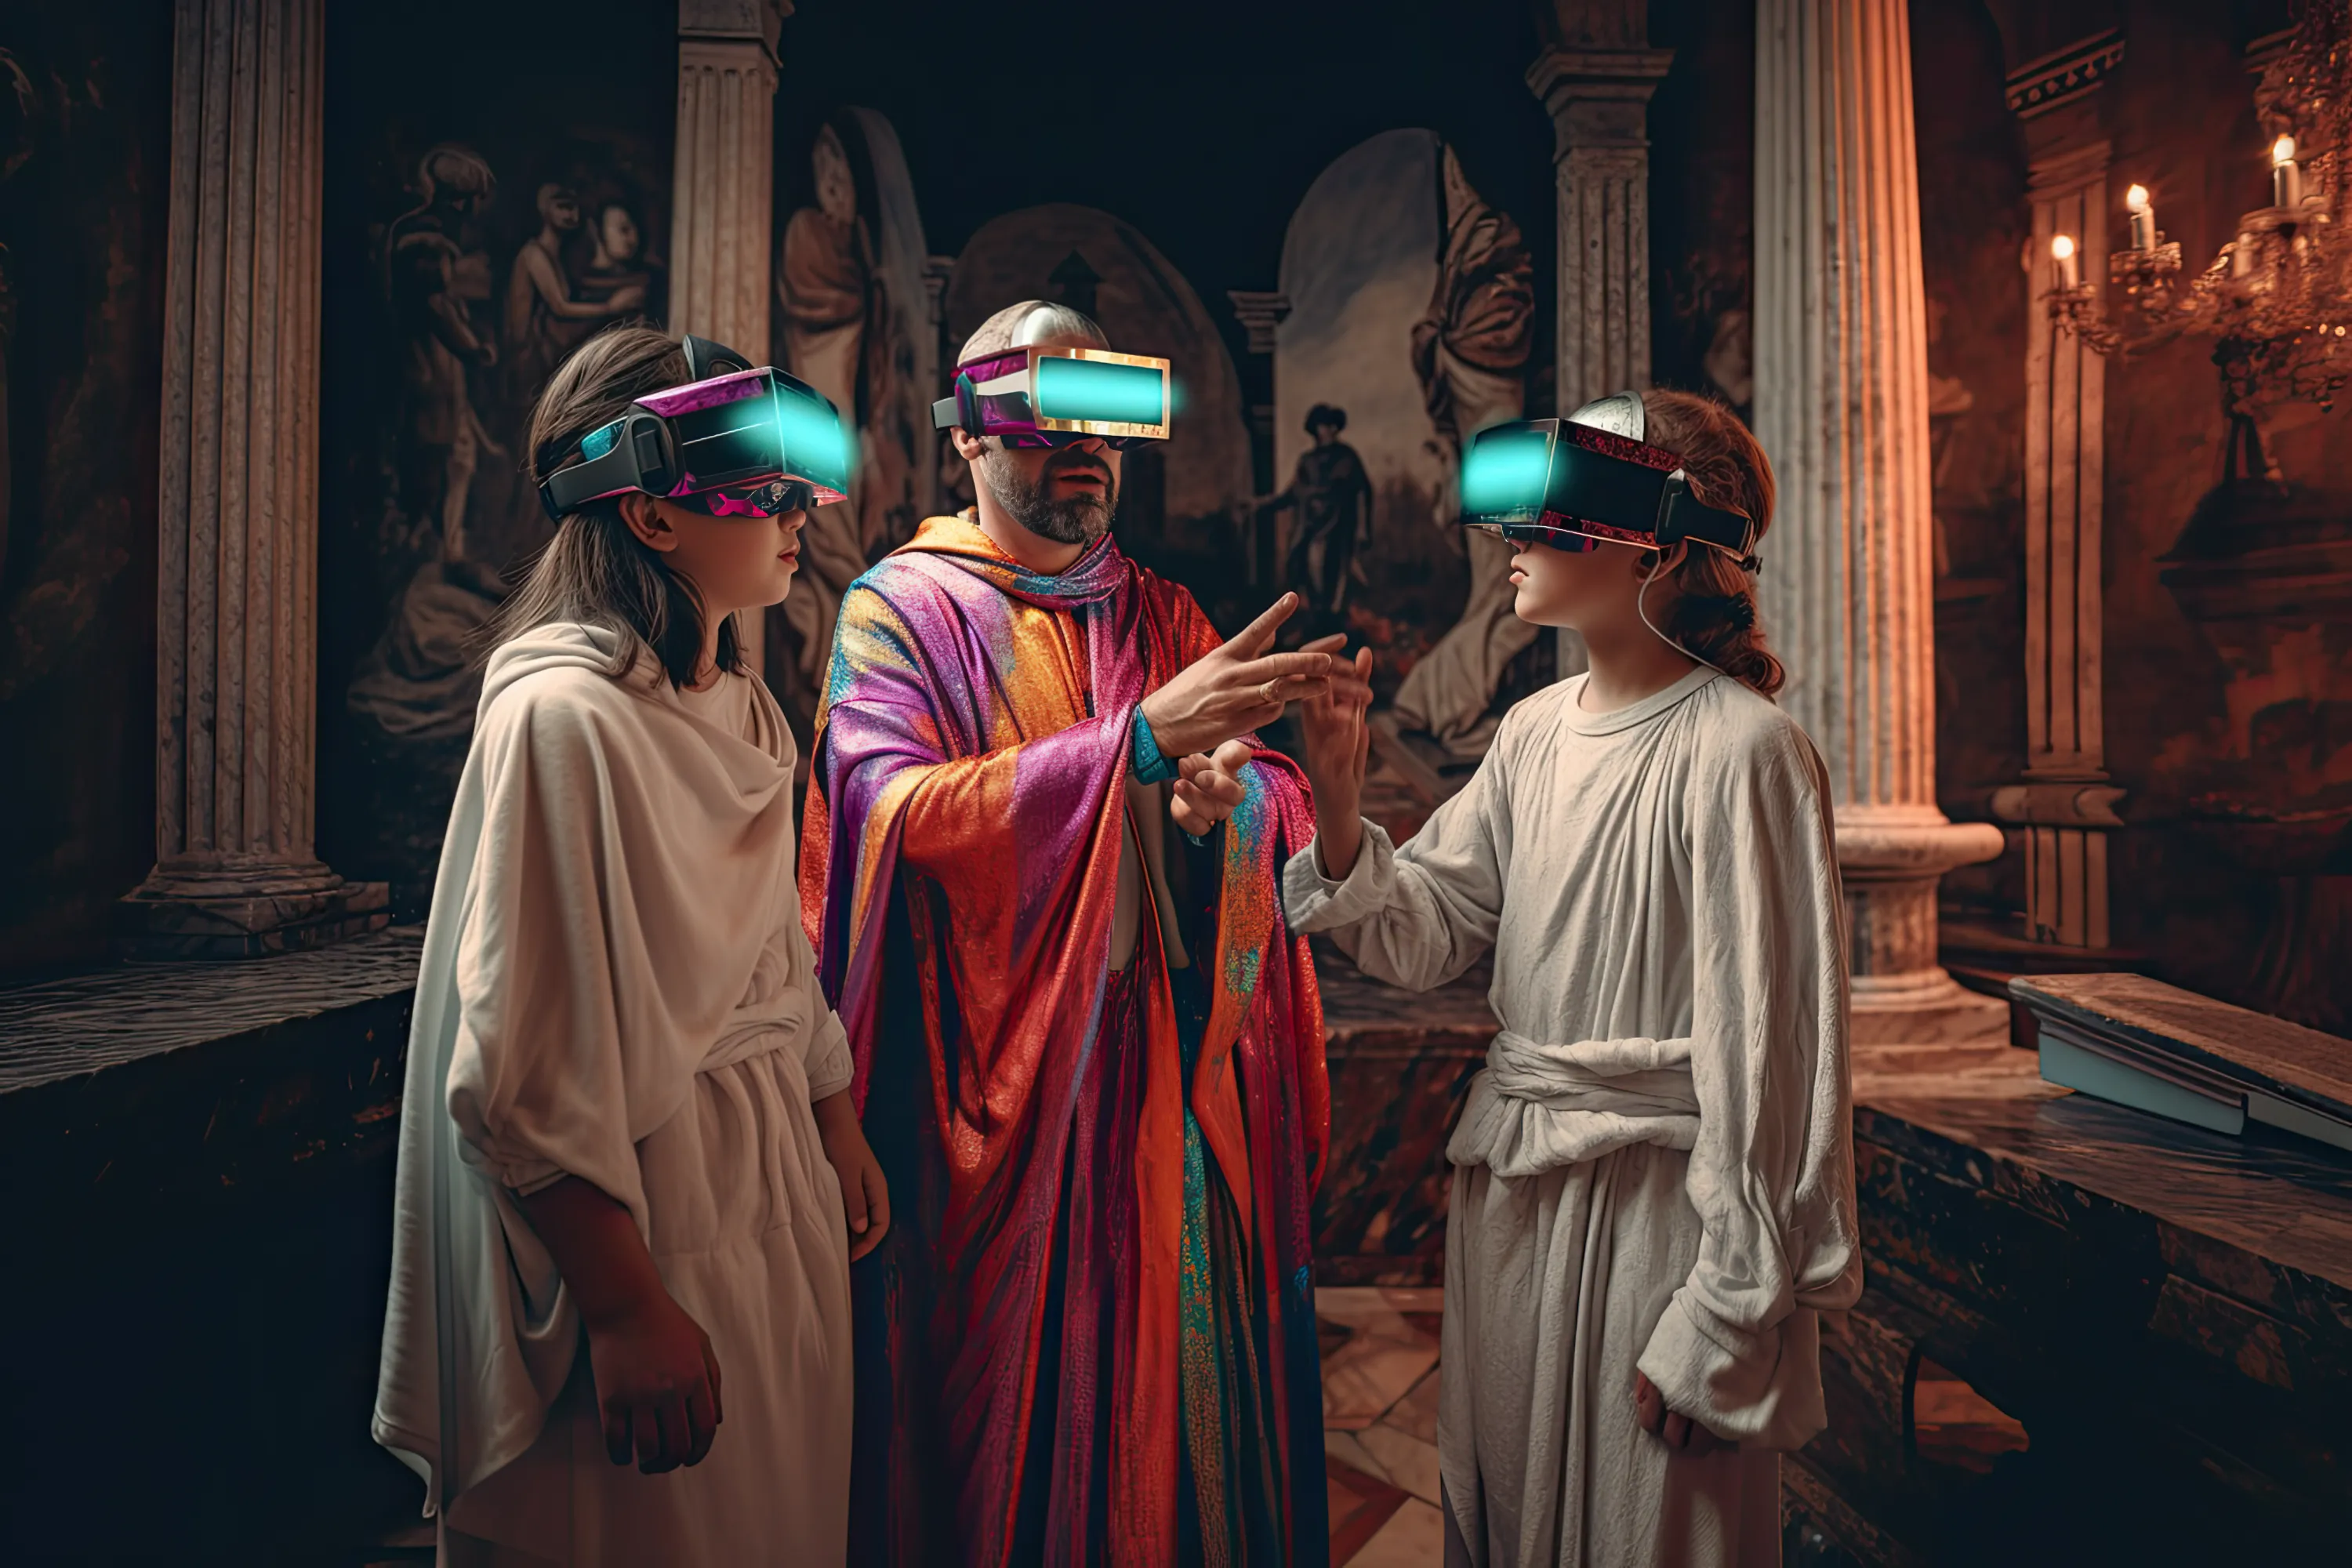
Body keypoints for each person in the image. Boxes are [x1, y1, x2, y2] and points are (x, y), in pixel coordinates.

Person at [805, 299, 1365, 1566]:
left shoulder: (1159, 610)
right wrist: (1138, 750)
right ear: (967, 438)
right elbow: (882, 815)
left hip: (1170, 1077)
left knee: (1184, 1438)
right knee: (1017, 1450)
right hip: (997, 1107)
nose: (1086, 452)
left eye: (1107, 427)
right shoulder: (900, 612)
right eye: (1049, 422)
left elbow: (1259, 779)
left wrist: (1225, 804)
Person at [1286, 389, 1859, 1567]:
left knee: (1645, 1531)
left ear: (1650, 537)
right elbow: (1428, 929)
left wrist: (1725, 1319)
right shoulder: (1535, 730)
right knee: (1506, 1520)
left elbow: (1778, 1058)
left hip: (1661, 1225)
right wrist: (1339, 813)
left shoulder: (1744, 751)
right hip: (1514, 1205)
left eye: (1548, 513)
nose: (1511, 542)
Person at [373, 325, 884, 1567]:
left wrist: (831, 1116)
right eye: (764, 482)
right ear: (651, 514)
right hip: (651, 1220)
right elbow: (521, 1071)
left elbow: (779, 956)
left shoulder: (740, 699)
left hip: (771, 1196)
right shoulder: (565, 720)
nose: (803, 508)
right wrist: (624, 1306)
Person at [1260, 402, 1371, 636]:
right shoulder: (1307, 461)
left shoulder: (1347, 457)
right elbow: (1291, 493)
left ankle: (1334, 625)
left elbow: (1363, 491)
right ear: (1316, 428)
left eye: (1331, 425)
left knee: (1337, 577)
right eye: (1322, 425)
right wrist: (1262, 505)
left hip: (1339, 528)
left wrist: (1363, 528)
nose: (1327, 430)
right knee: (1311, 571)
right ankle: (1317, 623)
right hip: (1311, 528)